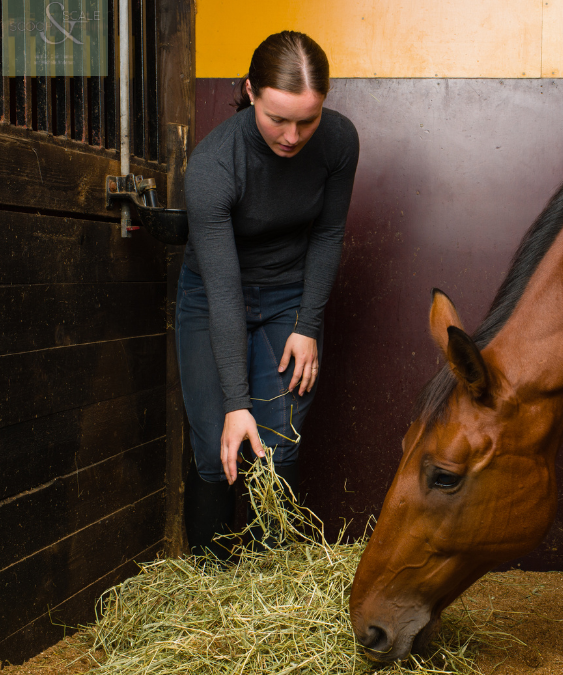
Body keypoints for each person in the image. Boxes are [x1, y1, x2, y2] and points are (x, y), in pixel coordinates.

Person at [176, 30, 359, 561]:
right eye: (278, 118)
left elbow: (327, 234)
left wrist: (307, 324)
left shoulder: (340, 141)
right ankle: (209, 582)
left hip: (290, 296)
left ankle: (270, 584)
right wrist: (235, 403)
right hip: (214, 296)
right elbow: (224, 289)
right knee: (219, 441)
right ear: (250, 91)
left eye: (307, 119)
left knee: (279, 444)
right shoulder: (214, 163)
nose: (292, 135)